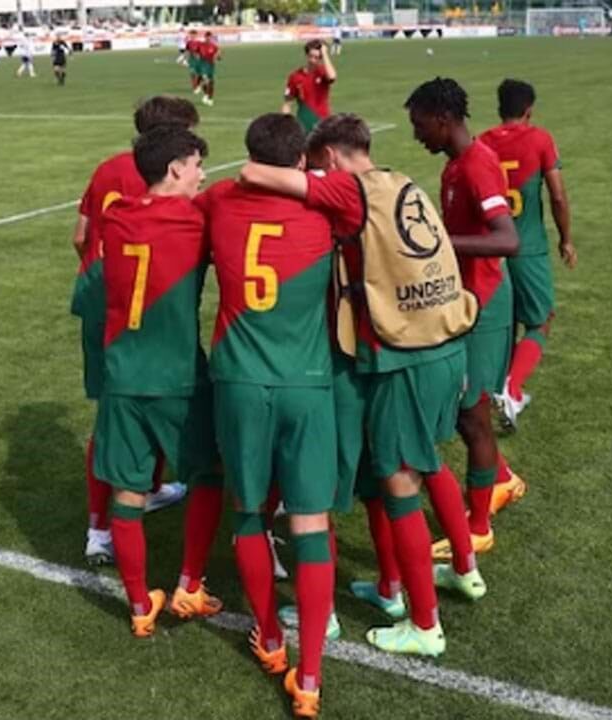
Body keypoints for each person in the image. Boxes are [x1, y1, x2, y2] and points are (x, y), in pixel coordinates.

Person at [242, 113, 486, 660]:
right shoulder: (402, 180)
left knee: (397, 482)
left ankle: (423, 626)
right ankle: (391, 590)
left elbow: (266, 176)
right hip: (441, 343)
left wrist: (248, 174)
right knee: (390, 474)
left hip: (406, 356)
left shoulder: (352, 190)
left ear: (328, 157)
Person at [201, 113, 338, 718]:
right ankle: (308, 678)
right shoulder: (326, 210)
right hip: (309, 383)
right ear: (303, 162)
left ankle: (270, 638)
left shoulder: (219, 202)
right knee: (310, 524)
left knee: (249, 511)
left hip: (238, 379)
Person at [93, 125, 224, 637]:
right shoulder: (196, 219)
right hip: (178, 377)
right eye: (196, 165)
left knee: (127, 491)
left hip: (123, 375)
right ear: (174, 170)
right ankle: (189, 582)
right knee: (209, 474)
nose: (202, 174)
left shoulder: (116, 215)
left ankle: (138, 602)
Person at [72, 97, 201, 565]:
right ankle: (117, 515)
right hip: (143, 316)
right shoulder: (157, 186)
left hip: (103, 302)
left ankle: (104, 523)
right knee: (140, 413)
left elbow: (80, 235)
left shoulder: (107, 168)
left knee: (112, 414)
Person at [403, 78, 523, 563]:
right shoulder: (456, 165)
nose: (417, 135)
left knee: (471, 416)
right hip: (464, 299)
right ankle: (501, 479)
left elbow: (506, 239)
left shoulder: (476, 166)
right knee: (461, 408)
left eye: (419, 125)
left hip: (485, 302)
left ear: (443, 118)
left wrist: (440, 246)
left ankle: (477, 528)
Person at [481, 79, 576, 437]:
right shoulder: (539, 139)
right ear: (529, 109)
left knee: (504, 323)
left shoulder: (483, 142)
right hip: (527, 247)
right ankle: (512, 389)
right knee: (540, 320)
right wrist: (566, 239)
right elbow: (558, 196)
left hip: (491, 251)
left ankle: (493, 387)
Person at [282, 40, 337, 134]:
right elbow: (287, 103)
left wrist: (324, 54)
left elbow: (332, 77)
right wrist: (286, 124)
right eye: (311, 56)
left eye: (317, 57)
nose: (312, 60)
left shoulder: (323, 72)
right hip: (303, 124)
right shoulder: (295, 76)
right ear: (306, 55)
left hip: (323, 123)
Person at [196, 32, 219, 106]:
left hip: (211, 66)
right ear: (205, 37)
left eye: (210, 37)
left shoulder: (214, 46)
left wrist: (217, 58)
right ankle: (206, 94)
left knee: (211, 83)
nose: (208, 39)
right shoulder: (201, 45)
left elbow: (218, 55)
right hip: (203, 65)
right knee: (205, 79)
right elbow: (196, 53)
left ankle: (210, 98)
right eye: (207, 37)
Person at [186, 30, 203, 94]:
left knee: (199, 75)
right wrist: (187, 59)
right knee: (192, 74)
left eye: (193, 35)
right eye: (191, 35)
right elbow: (187, 51)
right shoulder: (189, 43)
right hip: (192, 61)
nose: (192, 36)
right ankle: (195, 88)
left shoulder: (199, 43)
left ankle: (198, 85)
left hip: (199, 61)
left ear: (196, 35)